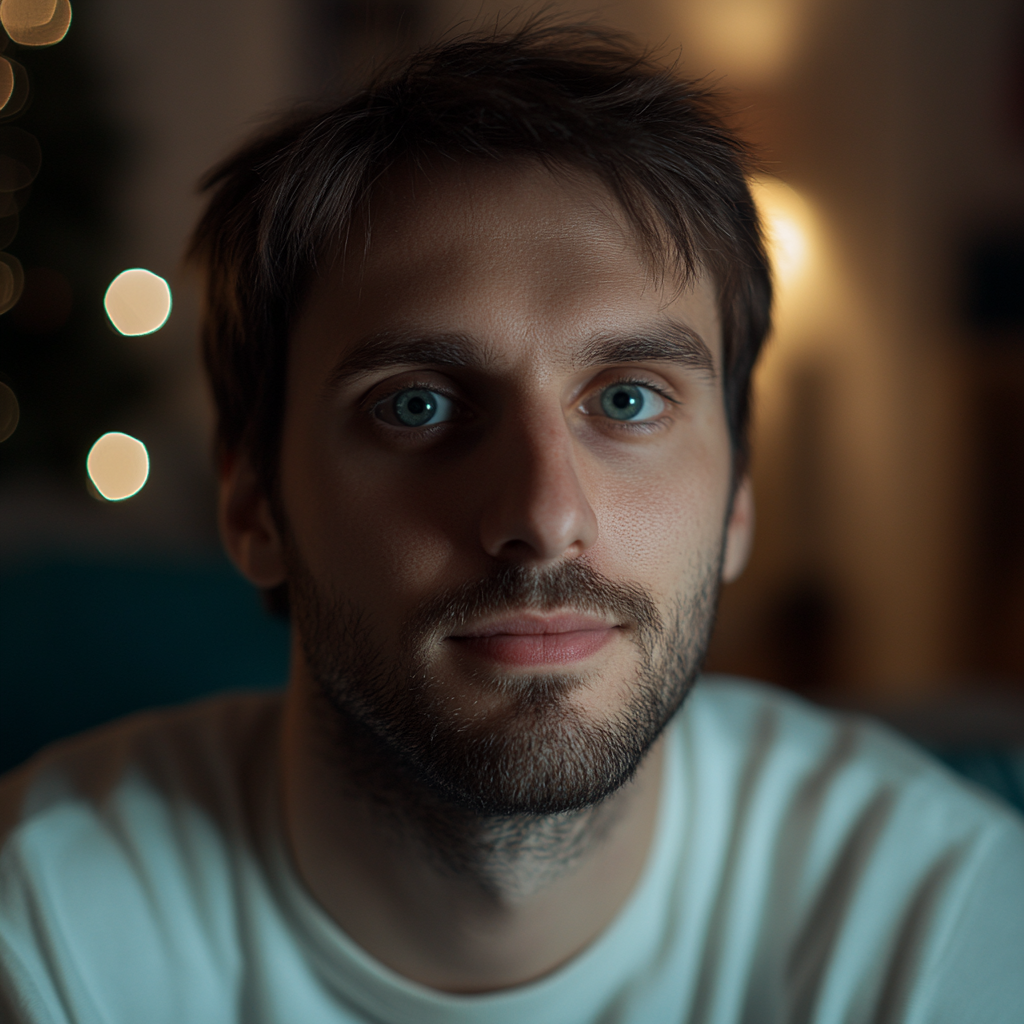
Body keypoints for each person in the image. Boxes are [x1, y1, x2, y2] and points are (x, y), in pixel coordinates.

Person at [1, 22, 1022, 1024]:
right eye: (417, 404)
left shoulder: (931, 912)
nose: (543, 516)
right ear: (251, 503)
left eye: (627, 399)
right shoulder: (46, 930)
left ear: (739, 495)